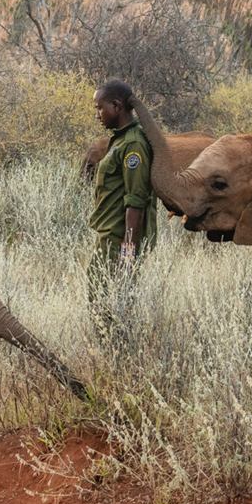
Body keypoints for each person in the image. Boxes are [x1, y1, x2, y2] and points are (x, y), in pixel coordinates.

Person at [86, 79, 157, 324]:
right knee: (99, 298)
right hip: (109, 235)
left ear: (117, 106)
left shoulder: (133, 144)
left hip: (118, 239)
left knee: (109, 303)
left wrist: (127, 253)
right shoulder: (121, 139)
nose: (98, 114)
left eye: (100, 107)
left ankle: (115, 351)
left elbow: (135, 201)